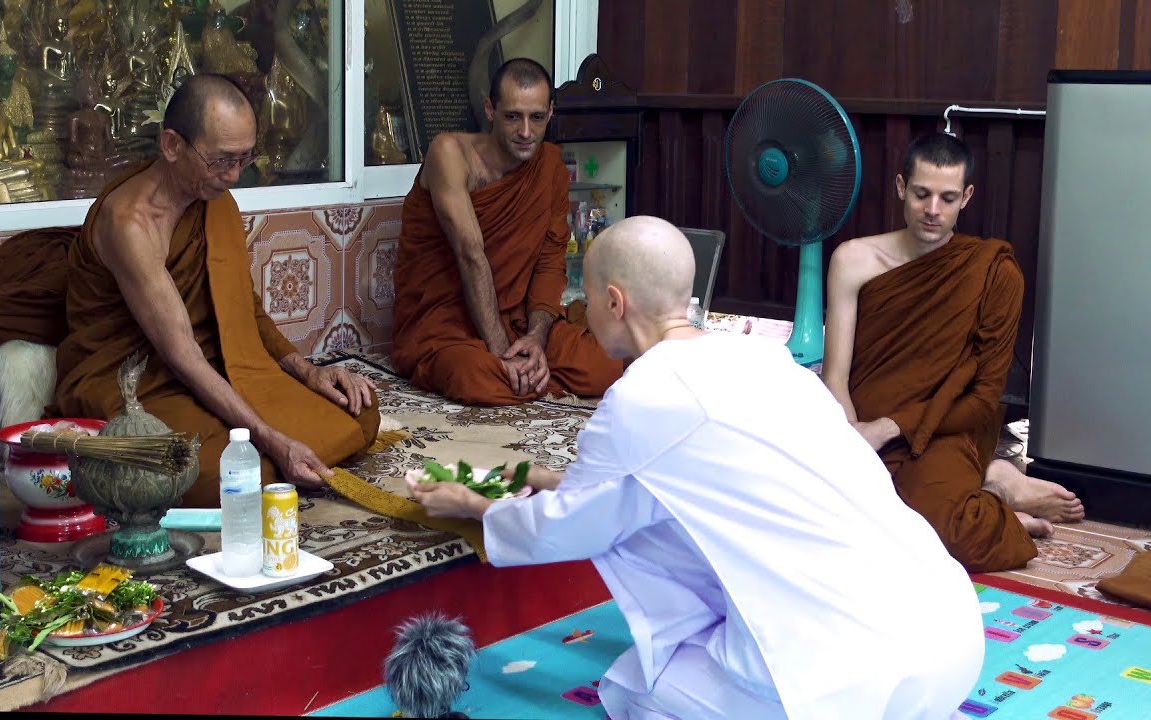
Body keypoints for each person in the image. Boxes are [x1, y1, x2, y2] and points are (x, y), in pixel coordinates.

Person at [413, 216, 985, 720]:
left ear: (615, 302)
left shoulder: (640, 399)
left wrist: (476, 508)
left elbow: (572, 525)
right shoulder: (769, 360)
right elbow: (680, 482)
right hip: (953, 636)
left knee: (636, 685)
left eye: (584, 298)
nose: (581, 315)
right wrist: (550, 479)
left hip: (850, 678)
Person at [50, 74, 380, 507]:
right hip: (135, 382)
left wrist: (309, 371)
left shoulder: (213, 200)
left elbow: (246, 307)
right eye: (221, 160)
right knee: (232, 472)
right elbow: (182, 355)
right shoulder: (130, 225)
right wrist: (273, 440)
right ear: (171, 145)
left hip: (217, 366)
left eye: (245, 158)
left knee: (359, 411)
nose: (234, 176)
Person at [822, 132, 1084, 572]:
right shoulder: (853, 260)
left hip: (945, 426)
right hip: (860, 423)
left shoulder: (991, 272)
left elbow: (982, 400)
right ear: (901, 187)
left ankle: (995, 495)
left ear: (967, 197)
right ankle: (991, 479)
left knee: (947, 533)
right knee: (826, 521)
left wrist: (887, 428)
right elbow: (835, 376)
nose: (932, 211)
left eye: (947, 198)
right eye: (922, 194)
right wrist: (851, 437)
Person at [391, 58, 623, 406]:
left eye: (537, 118)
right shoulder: (450, 154)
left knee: (604, 368)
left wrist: (535, 338)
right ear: (490, 109)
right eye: (513, 116)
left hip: (515, 320)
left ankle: (526, 375)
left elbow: (548, 263)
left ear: (550, 113)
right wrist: (502, 352)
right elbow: (471, 254)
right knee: (474, 378)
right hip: (445, 325)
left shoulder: (550, 170)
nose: (526, 132)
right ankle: (525, 376)